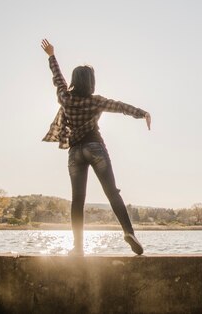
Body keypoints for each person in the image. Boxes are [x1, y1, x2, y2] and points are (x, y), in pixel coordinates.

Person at [41, 39, 151, 256]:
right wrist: (143, 113)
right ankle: (129, 232)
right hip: (95, 147)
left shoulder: (65, 98)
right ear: (91, 82)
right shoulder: (96, 101)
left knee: (77, 200)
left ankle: (78, 247)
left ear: (74, 81)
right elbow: (120, 107)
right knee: (112, 192)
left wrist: (51, 55)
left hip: (75, 153)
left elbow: (57, 79)